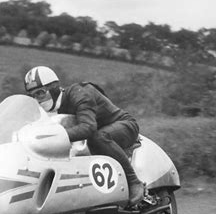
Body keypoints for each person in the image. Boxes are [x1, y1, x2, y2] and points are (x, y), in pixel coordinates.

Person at [24, 66, 145, 206]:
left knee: (98, 137)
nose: (37, 99)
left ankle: (134, 182)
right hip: (98, 134)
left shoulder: (80, 93)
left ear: (53, 88)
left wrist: (56, 136)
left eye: (40, 93)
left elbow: (88, 128)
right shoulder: (47, 113)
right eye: (32, 96)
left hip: (123, 125)